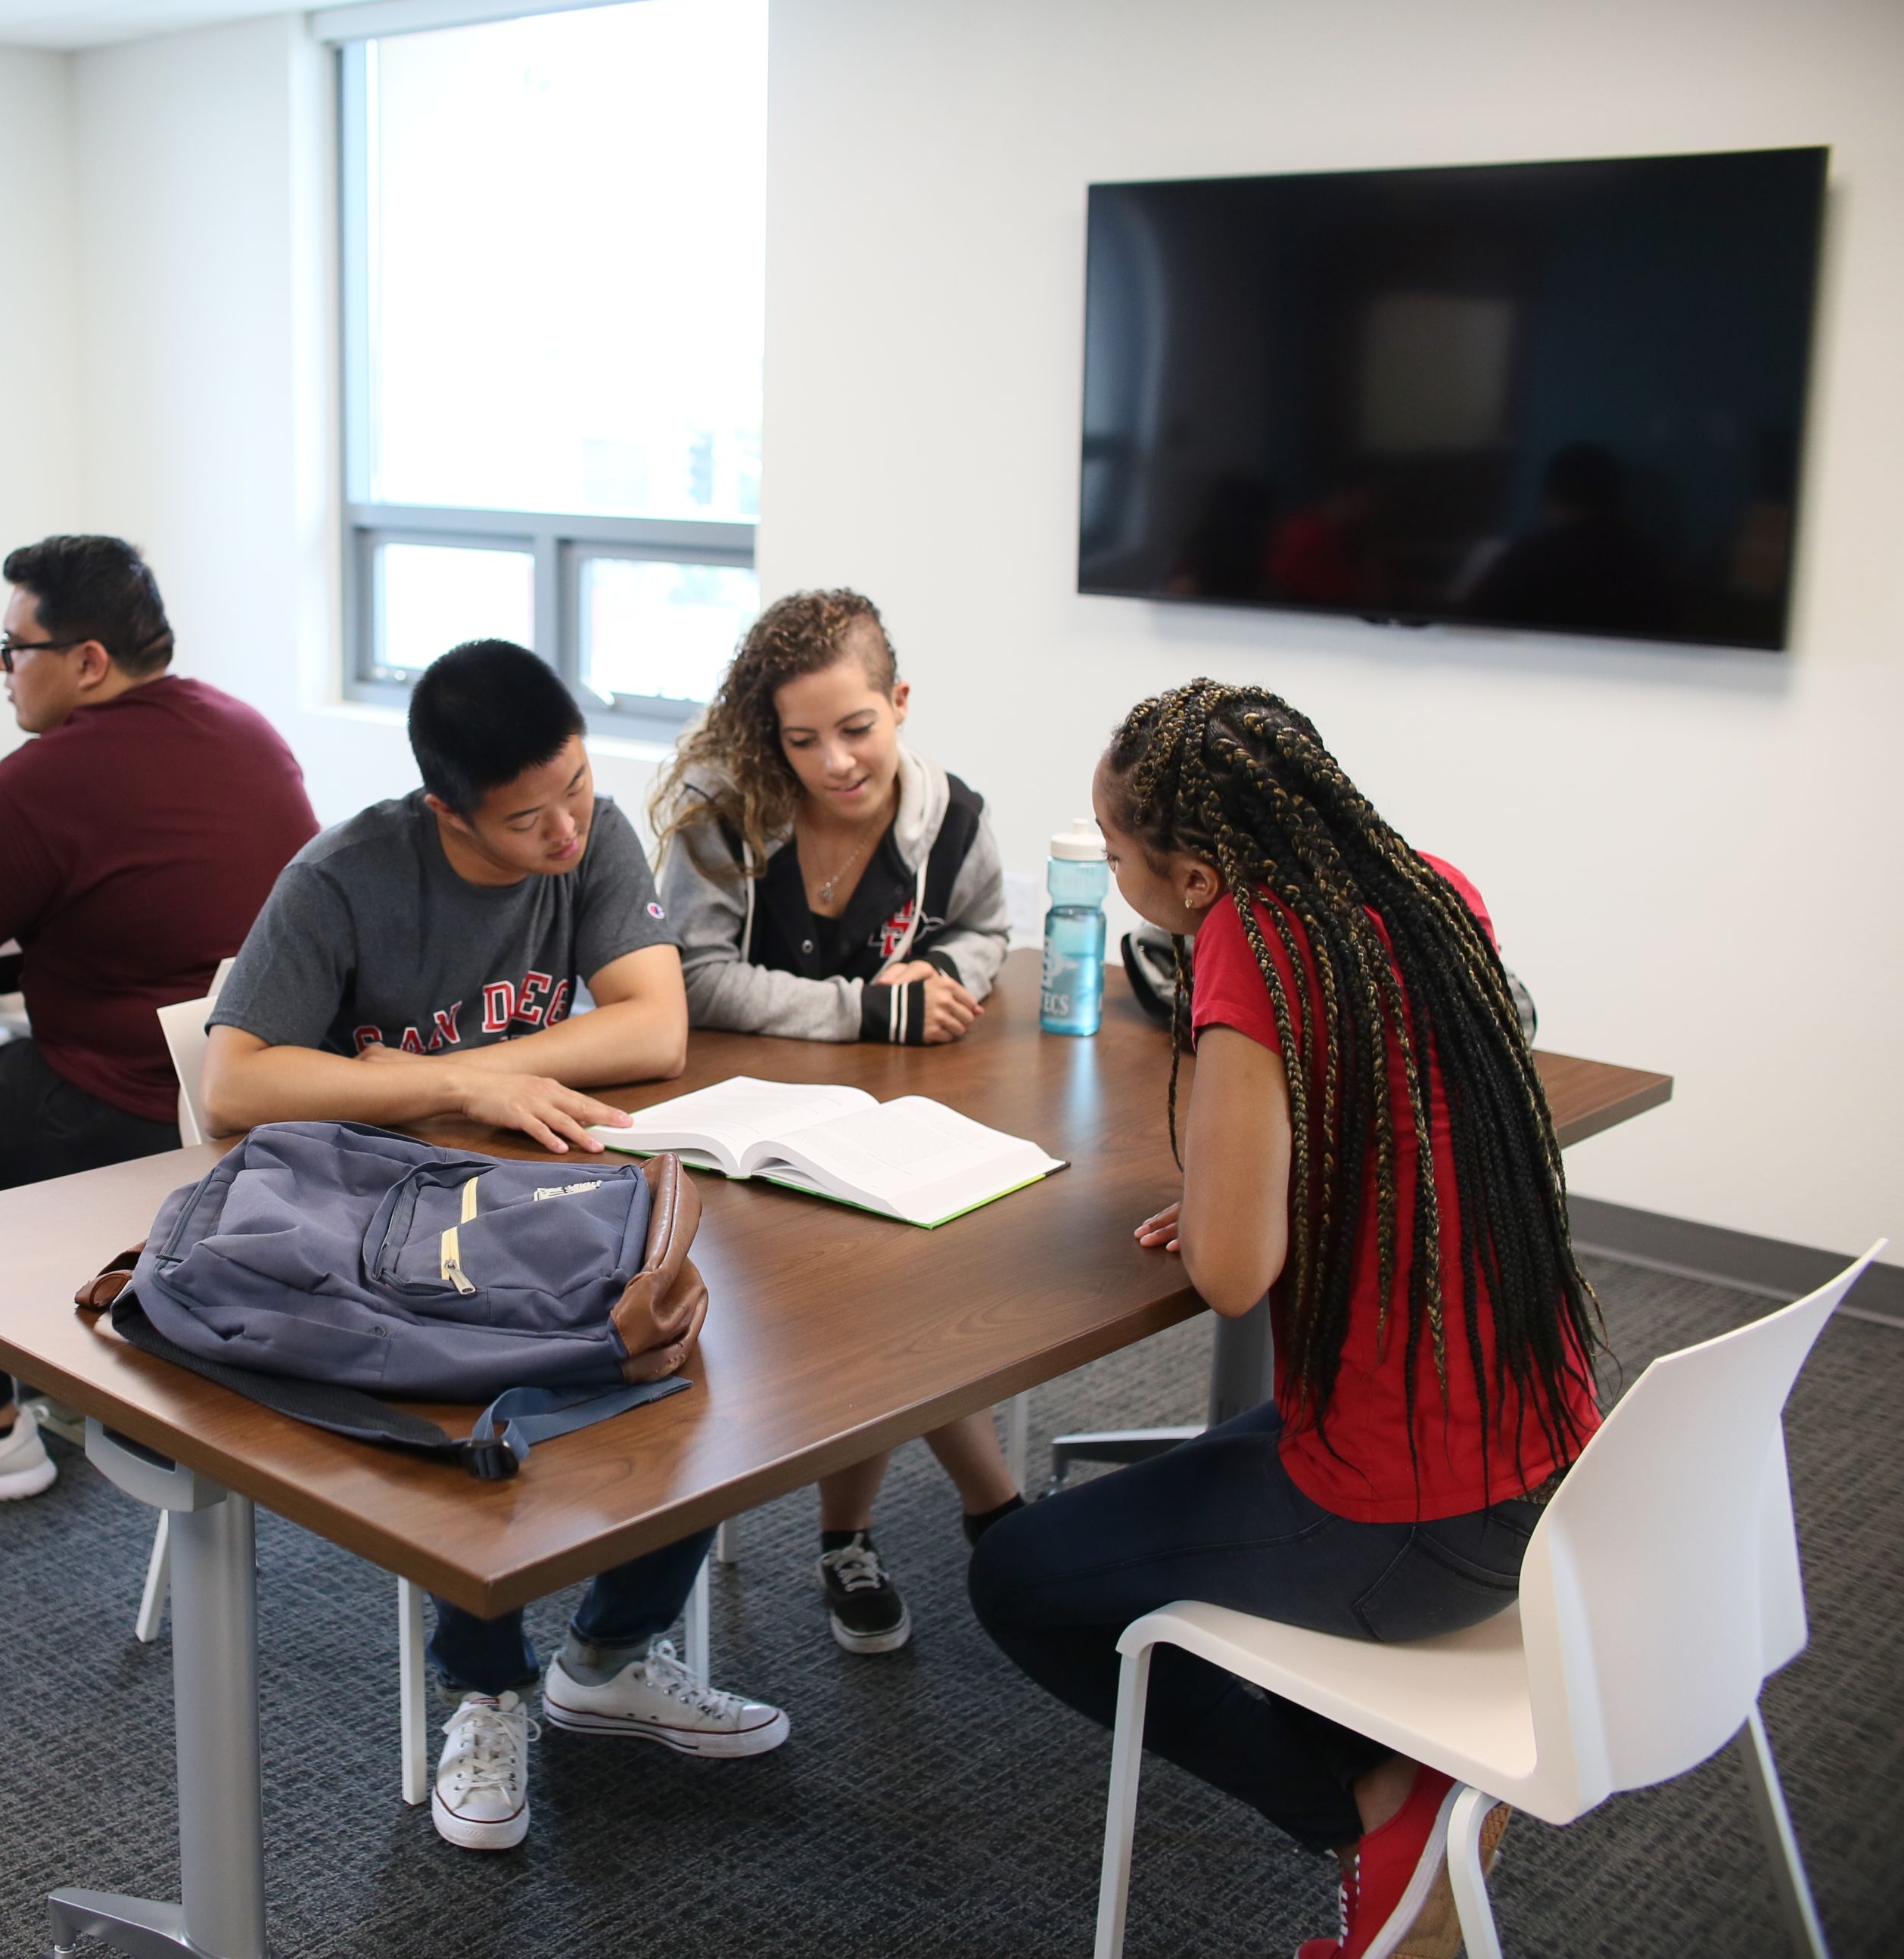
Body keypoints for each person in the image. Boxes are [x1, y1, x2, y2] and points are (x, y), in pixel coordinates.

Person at [967, 680, 1604, 1959]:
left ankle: (1374, 1803)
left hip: (1421, 1516)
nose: (1110, 868)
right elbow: (1383, 1127)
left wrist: (1218, 1167)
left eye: (1122, 851)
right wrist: (1248, 1170)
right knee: (1226, 1471)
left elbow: (1230, 1274)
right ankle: (1397, 1774)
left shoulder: (1249, 948)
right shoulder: (1431, 890)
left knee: (1016, 1579)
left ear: (1197, 873)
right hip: (1555, 1457)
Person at [201, 637, 789, 1856]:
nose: (568, 832)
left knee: (675, 1349)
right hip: (382, 1222)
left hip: (537, 1195)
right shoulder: (345, 877)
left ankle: (612, 1655)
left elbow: (654, 1024)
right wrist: (464, 1099)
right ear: (445, 810)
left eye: (575, 789)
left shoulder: (591, 822)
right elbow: (235, 1082)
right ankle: (487, 1690)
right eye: (529, 820)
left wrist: (439, 1077)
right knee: (472, 1413)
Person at [0, 535, 317, 1503]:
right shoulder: (247, 729)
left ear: (87, 660)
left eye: (14, 647)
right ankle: (42, 1343)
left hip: (129, 1101)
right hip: (270, 1095)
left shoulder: (41, 777)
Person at [651, 587, 1023, 1656]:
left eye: (856, 728)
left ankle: (865, 1533)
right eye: (802, 739)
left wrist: (946, 972)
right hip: (729, 1131)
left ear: (900, 701)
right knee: (893, 1297)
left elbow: (986, 929)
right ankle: (977, 1513)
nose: (834, 763)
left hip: (878, 1118)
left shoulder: (954, 817)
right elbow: (696, 979)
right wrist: (865, 1007)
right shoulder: (729, 811)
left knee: (914, 1280)